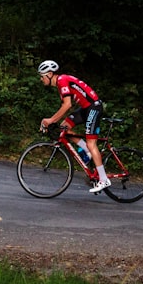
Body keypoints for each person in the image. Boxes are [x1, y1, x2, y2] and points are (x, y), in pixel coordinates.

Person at [37, 60, 111, 193]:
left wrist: (50, 120)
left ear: (49, 74)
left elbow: (67, 105)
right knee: (64, 127)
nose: (41, 79)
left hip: (93, 107)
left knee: (91, 143)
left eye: (42, 76)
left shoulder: (62, 80)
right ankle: (88, 153)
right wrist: (53, 121)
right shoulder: (60, 84)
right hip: (86, 108)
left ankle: (104, 179)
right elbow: (65, 107)